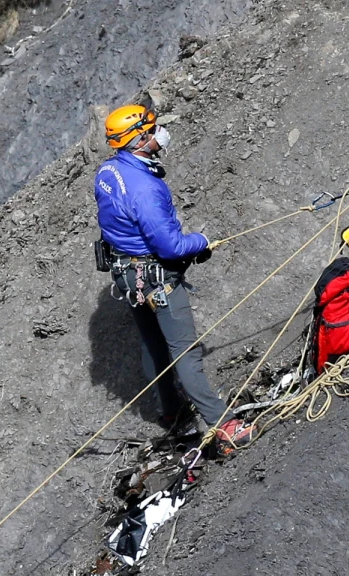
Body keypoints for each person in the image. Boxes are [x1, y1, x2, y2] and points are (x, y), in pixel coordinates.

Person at [94, 103, 254, 454]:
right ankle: (222, 425)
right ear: (139, 138)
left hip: (127, 275)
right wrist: (200, 242)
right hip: (156, 277)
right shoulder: (145, 190)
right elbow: (169, 246)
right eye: (153, 128)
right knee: (185, 351)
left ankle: (172, 412)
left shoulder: (107, 172)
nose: (160, 132)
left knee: (153, 344)